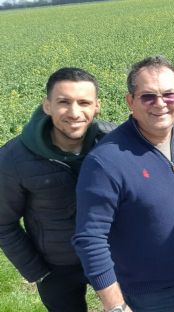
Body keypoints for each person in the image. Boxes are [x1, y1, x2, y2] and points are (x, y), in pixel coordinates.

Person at [72, 56, 174, 312]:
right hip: (151, 295)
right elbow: (90, 239)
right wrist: (116, 307)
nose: (160, 104)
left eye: (168, 95)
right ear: (131, 101)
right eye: (148, 97)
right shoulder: (106, 161)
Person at [0, 68, 113, 312]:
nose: (74, 112)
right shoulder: (14, 158)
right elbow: (3, 222)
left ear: (97, 106)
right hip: (56, 268)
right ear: (47, 106)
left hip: (112, 258)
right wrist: (37, 272)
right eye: (64, 102)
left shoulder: (112, 142)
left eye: (84, 102)